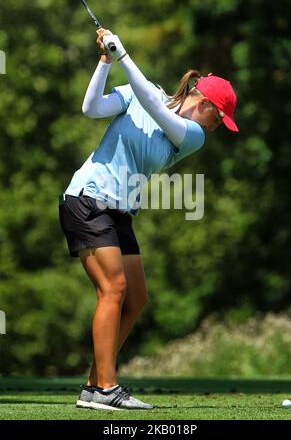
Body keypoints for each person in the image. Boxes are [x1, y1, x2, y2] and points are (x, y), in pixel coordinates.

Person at [58, 28, 239, 411]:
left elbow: (156, 109)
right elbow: (91, 108)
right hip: (88, 200)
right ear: (203, 101)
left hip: (120, 213)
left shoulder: (192, 135)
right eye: (220, 117)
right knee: (113, 289)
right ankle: (106, 388)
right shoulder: (143, 94)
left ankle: (94, 384)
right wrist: (106, 62)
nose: (218, 125)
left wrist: (124, 56)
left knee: (136, 298)